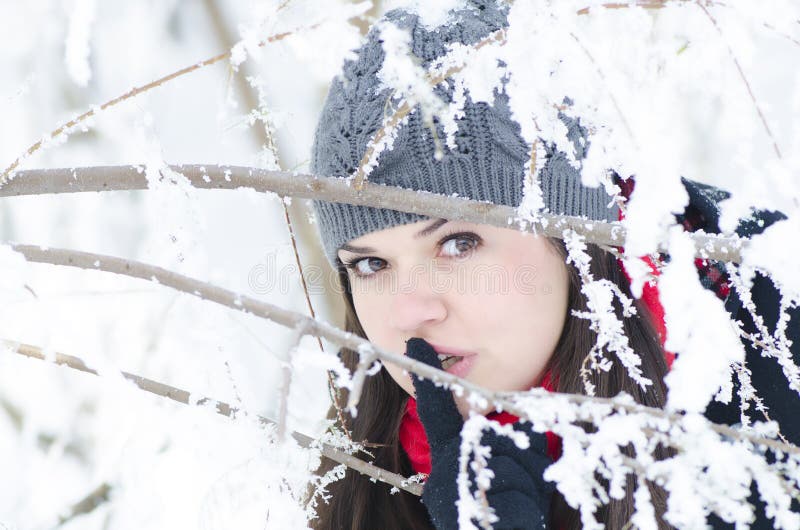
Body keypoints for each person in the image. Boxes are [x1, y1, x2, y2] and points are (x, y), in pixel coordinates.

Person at [306, 2, 798, 529]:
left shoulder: (774, 330)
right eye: (372, 264)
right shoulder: (365, 465)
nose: (409, 313)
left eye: (458, 244)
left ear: (575, 240)